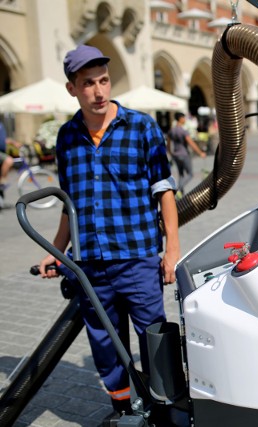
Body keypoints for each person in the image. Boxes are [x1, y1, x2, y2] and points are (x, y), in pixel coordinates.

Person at [37, 44, 179, 423]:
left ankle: (163, 409)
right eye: (88, 84)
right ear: (72, 89)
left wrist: (172, 251)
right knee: (103, 342)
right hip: (89, 265)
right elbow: (70, 205)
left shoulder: (141, 127)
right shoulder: (66, 137)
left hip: (137, 257)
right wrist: (57, 250)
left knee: (153, 337)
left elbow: (164, 190)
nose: (99, 91)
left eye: (103, 81)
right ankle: (120, 409)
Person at [167, 112, 207, 198]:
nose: (185, 120)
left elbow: (168, 144)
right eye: (184, 118)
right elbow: (191, 143)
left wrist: (171, 153)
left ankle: (180, 194)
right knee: (190, 174)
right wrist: (200, 153)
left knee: (181, 174)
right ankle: (178, 190)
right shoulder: (183, 131)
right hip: (184, 154)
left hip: (176, 155)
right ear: (180, 119)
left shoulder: (171, 131)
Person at [0, 122, 14, 190]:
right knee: (9, 160)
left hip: (2, 151)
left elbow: (3, 139)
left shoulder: (1, 125)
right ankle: (2, 181)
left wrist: (14, 143)